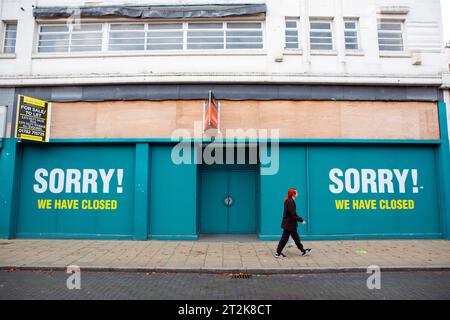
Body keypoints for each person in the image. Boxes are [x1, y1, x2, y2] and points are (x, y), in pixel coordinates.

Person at [275, 188, 312, 258]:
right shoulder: (290, 202)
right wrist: (301, 220)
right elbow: (293, 214)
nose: (297, 194)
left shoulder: (288, 200)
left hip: (290, 224)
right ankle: (278, 253)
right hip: (289, 224)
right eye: (296, 192)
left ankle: (303, 251)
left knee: (296, 238)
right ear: (293, 194)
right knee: (285, 239)